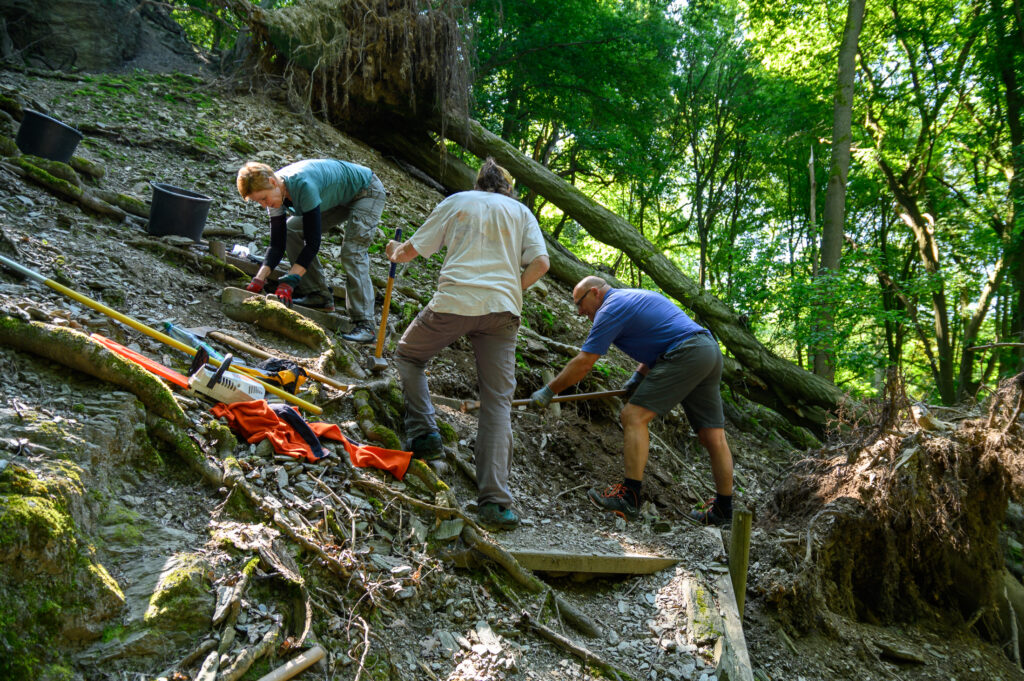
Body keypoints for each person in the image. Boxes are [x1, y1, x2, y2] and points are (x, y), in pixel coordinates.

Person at [386, 158, 550, 530]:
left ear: (479, 183)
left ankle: (426, 433)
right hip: (503, 313)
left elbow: (411, 250)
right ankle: (493, 504)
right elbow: (541, 263)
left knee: (409, 356)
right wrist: (511, 289)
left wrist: (394, 250)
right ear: (507, 187)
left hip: (455, 302)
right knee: (497, 403)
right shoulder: (521, 212)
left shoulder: (458, 201)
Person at [528, 276, 735, 525]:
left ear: (594, 292)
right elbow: (660, 338)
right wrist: (637, 377)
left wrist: (549, 391)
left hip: (686, 352)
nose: (580, 312)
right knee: (712, 435)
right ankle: (724, 510)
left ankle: (629, 497)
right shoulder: (635, 297)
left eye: (580, 303)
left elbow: (584, 362)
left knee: (633, 416)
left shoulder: (610, 309)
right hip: (707, 350)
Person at [235, 159, 386, 343]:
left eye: (264, 199)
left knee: (352, 252)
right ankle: (318, 294)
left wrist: (291, 279)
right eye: (259, 202)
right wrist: (259, 279)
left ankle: (365, 324)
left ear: (273, 182)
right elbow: (277, 245)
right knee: (292, 230)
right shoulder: (276, 195)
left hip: (366, 191)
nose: (264, 205)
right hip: (337, 196)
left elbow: (313, 242)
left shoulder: (303, 185)